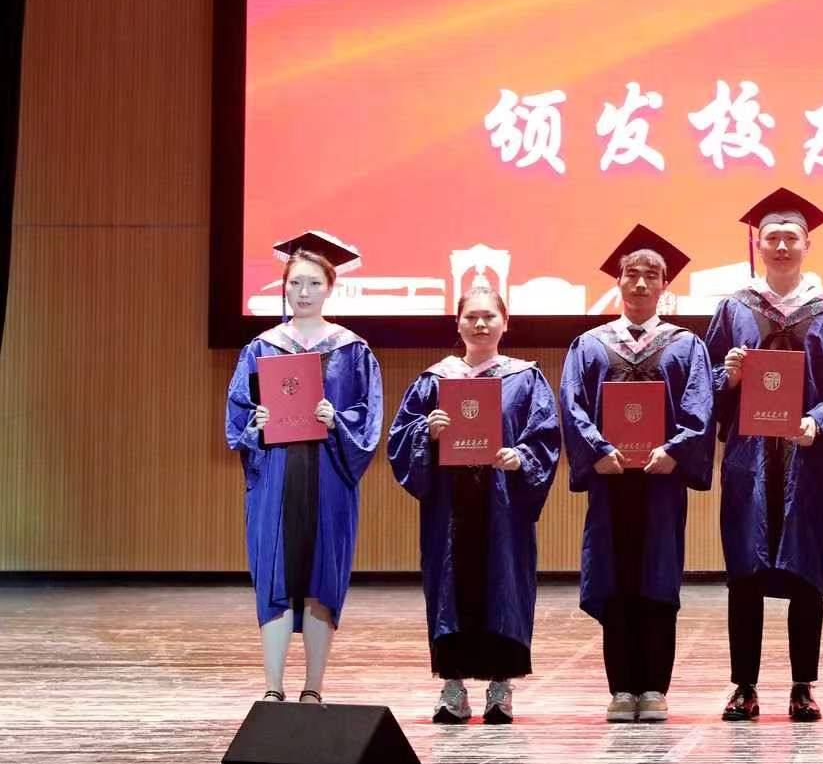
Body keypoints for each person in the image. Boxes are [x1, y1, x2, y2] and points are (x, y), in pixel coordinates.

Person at [704, 189, 823, 721]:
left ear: (808, 244)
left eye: (792, 237)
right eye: (773, 237)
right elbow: (706, 384)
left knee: (805, 572)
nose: (783, 246)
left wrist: (821, 422)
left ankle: (802, 686)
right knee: (745, 573)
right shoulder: (734, 307)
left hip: (805, 459)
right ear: (759, 244)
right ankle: (744, 687)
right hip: (749, 460)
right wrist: (730, 377)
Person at [560, 225, 715, 723]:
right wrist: (597, 450)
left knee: (658, 578)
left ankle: (654, 689)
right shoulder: (590, 345)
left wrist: (675, 450)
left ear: (665, 284)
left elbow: (700, 407)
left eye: (652, 275)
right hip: (610, 481)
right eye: (632, 274)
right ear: (619, 281)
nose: (641, 283)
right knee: (615, 577)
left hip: (660, 481)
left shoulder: (685, 345)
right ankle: (621, 688)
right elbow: (572, 406)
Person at [388, 281, 561, 724]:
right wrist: (426, 432)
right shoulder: (434, 380)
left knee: (504, 586)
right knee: (449, 589)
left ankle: (501, 687)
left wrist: (520, 456)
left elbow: (544, 437)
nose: (480, 324)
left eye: (489, 316)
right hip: (449, 509)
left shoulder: (525, 379)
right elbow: (400, 439)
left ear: (505, 323)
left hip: (503, 508)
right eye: (471, 316)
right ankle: (453, 688)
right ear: (458, 322)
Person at [223, 230, 382, 706]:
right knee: (273, 573)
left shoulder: (352, 349)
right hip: (276, 474)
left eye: (314, 283)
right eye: (295, 283)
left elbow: (368, 418)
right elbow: (237, 416)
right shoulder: (262, 348)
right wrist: (256, 424)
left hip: (328, 476)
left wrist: (338, 420)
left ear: (330, 287)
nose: (304, 292)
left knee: (320, 577)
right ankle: (273, 687)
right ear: (285, 287)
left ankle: (313, 687)